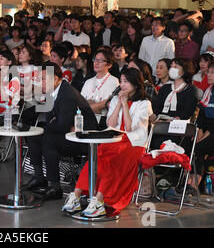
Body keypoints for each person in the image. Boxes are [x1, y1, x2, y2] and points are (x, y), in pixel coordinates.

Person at [62, 68, 153, 217]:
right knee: (97, 156)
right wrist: (118, 104)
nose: (122, 85)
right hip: (115, 137)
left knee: (111, 159)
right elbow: (110, 124)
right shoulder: (116, 99)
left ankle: (99, 200)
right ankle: (76, 196)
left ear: (136, 84)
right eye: (121, 81)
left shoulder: (144, 103)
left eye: (126, 82)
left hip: (133, 142)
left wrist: (125, 105)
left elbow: (129, 128)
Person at [22, 63, 99, 201]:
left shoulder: (66, 94)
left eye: (44, 79)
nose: (40, 83)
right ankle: (39, 178)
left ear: (56, 78)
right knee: (34, 135)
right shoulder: (54, 92)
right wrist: (52, 123)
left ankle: (55, 187)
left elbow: (62, 126)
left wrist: (52, 124)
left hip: (84, 139)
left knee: (47, 139)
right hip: (70, 134)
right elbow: (53, 120)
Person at [191, 60, 214, 186]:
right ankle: (185, 182)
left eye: (213, 72)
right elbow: (202, 114)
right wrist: (200, 130)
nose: (209, 75)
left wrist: (207, 134)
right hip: (207, 128)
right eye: (208, 72)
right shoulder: (208, 91)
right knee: (188, 144)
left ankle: (194, 185)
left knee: (199, 148)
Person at [151, 58, 197, 123]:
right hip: (161, 121)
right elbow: (157, 107)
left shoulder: (190, 90)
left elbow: (188, 112)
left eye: (175, 67)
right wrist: (154, 116)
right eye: (171, 67)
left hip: (179, 124)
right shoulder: (165, 88)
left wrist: (173, 120)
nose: (172, 69)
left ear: (184, 70)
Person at [80, 49, 119, 125]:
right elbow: (81, 103)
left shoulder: (114, 81)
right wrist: (96, 106)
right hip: (86, 119)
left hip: (103, 121)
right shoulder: (88, 81)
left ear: (109, 65)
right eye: (95, 60)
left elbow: (108, 104)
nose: (96, 63)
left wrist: (91, 105)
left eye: (100, 60)